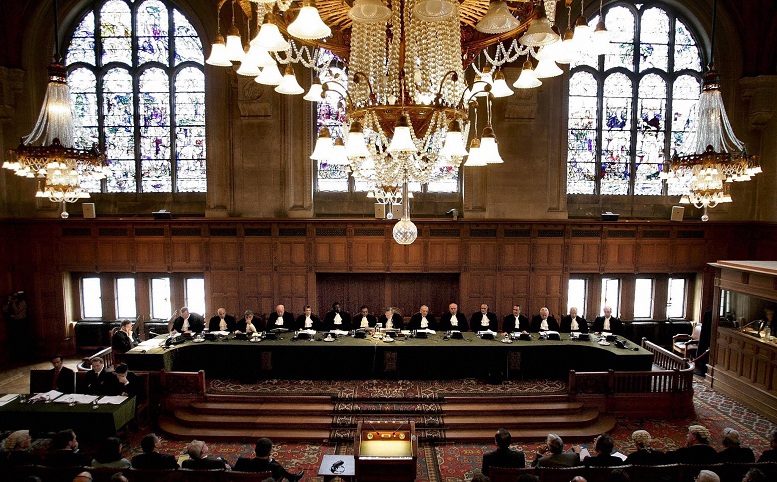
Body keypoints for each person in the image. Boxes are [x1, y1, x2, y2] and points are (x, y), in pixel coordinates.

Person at [233, 437, 303, 481]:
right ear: (269, 452)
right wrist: (272, 461)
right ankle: (293, 478)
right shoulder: (274, 468)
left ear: (255, 450)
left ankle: (293, 478)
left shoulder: (241, 462)